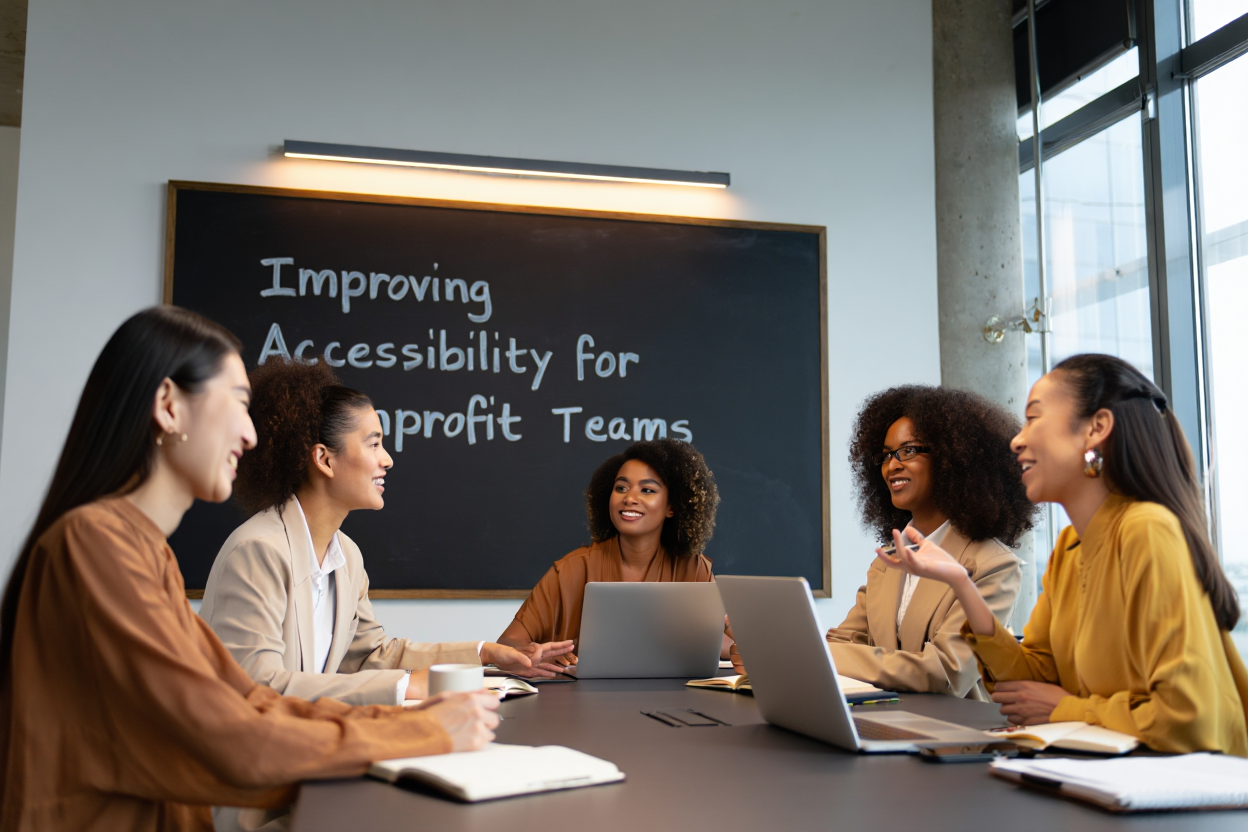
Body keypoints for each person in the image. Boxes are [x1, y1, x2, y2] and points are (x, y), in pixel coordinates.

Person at [0, 307, 499, 832]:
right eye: (239, 405)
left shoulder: (143, 552)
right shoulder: (95, 545)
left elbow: (247, 702)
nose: (253, 435)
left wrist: (410, 719)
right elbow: (221, 734)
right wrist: (422, 732)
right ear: (168, 406)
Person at [884, 354, 1248, 755]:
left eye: (1034, 418)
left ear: (1096, 428)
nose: (1017, 439)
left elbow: (1187, 717)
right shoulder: (1070, 547)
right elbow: (1033, 676)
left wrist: (1066, 708)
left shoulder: (1147, 529)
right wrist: (959, 582)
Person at [201, 359, 573, 707]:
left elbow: (370, 656)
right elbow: (256, 686)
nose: (388, 459)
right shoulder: (257, 551)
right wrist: (406, 686)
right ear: (324, 459)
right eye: (374, 443)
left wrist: (485, 653)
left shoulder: (345, 556)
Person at [824, 385, 1032, 699]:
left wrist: (826, 656)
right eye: (886, 455)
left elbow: (945, 673)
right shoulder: (887, 562)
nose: (892, 465)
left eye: (908, 450)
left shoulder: (993, 565)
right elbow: (841, 642)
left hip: (954, 736)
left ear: (954, 458)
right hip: (886, 724)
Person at [497, 438, 725, 662]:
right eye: (621, 488)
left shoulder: (695, 570)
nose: (629, 498)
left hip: (672, 699)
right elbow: (508, 644)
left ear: (672, 507)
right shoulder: (570, 570)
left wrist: (740, 643)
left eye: (647, 490)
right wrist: (541, 655)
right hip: (578, 698)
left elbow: (720, 644)